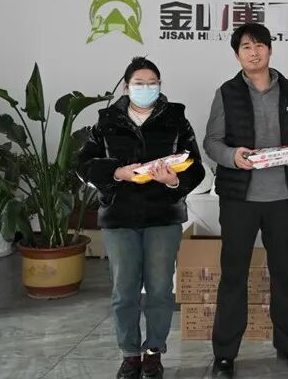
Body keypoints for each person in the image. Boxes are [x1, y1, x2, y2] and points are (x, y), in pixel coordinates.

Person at [78, 56, 205, 379]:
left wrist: (173, 181)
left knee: (160, 289)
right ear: (126, 87)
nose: (146, 88)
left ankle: (153, 352)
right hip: (119, 216)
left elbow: (196, 165)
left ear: (160, 86)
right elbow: (83, 165)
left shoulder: (176, 119)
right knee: (124, 291)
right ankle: (130, 354)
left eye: (152, 83)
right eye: (139, 83)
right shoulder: (107, 121)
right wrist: (116, 172)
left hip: (163, 216)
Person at [204, 23, 288, 378]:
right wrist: (232, 156)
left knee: (283, 274)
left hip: (283, 197)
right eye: (246, 47)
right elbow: (211, 141)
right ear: (237, 55)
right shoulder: (227, 93)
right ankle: (224, 355)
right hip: (239, 199)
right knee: (234, 274)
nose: (254, 53)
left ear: (270, 49)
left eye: (259, 46)